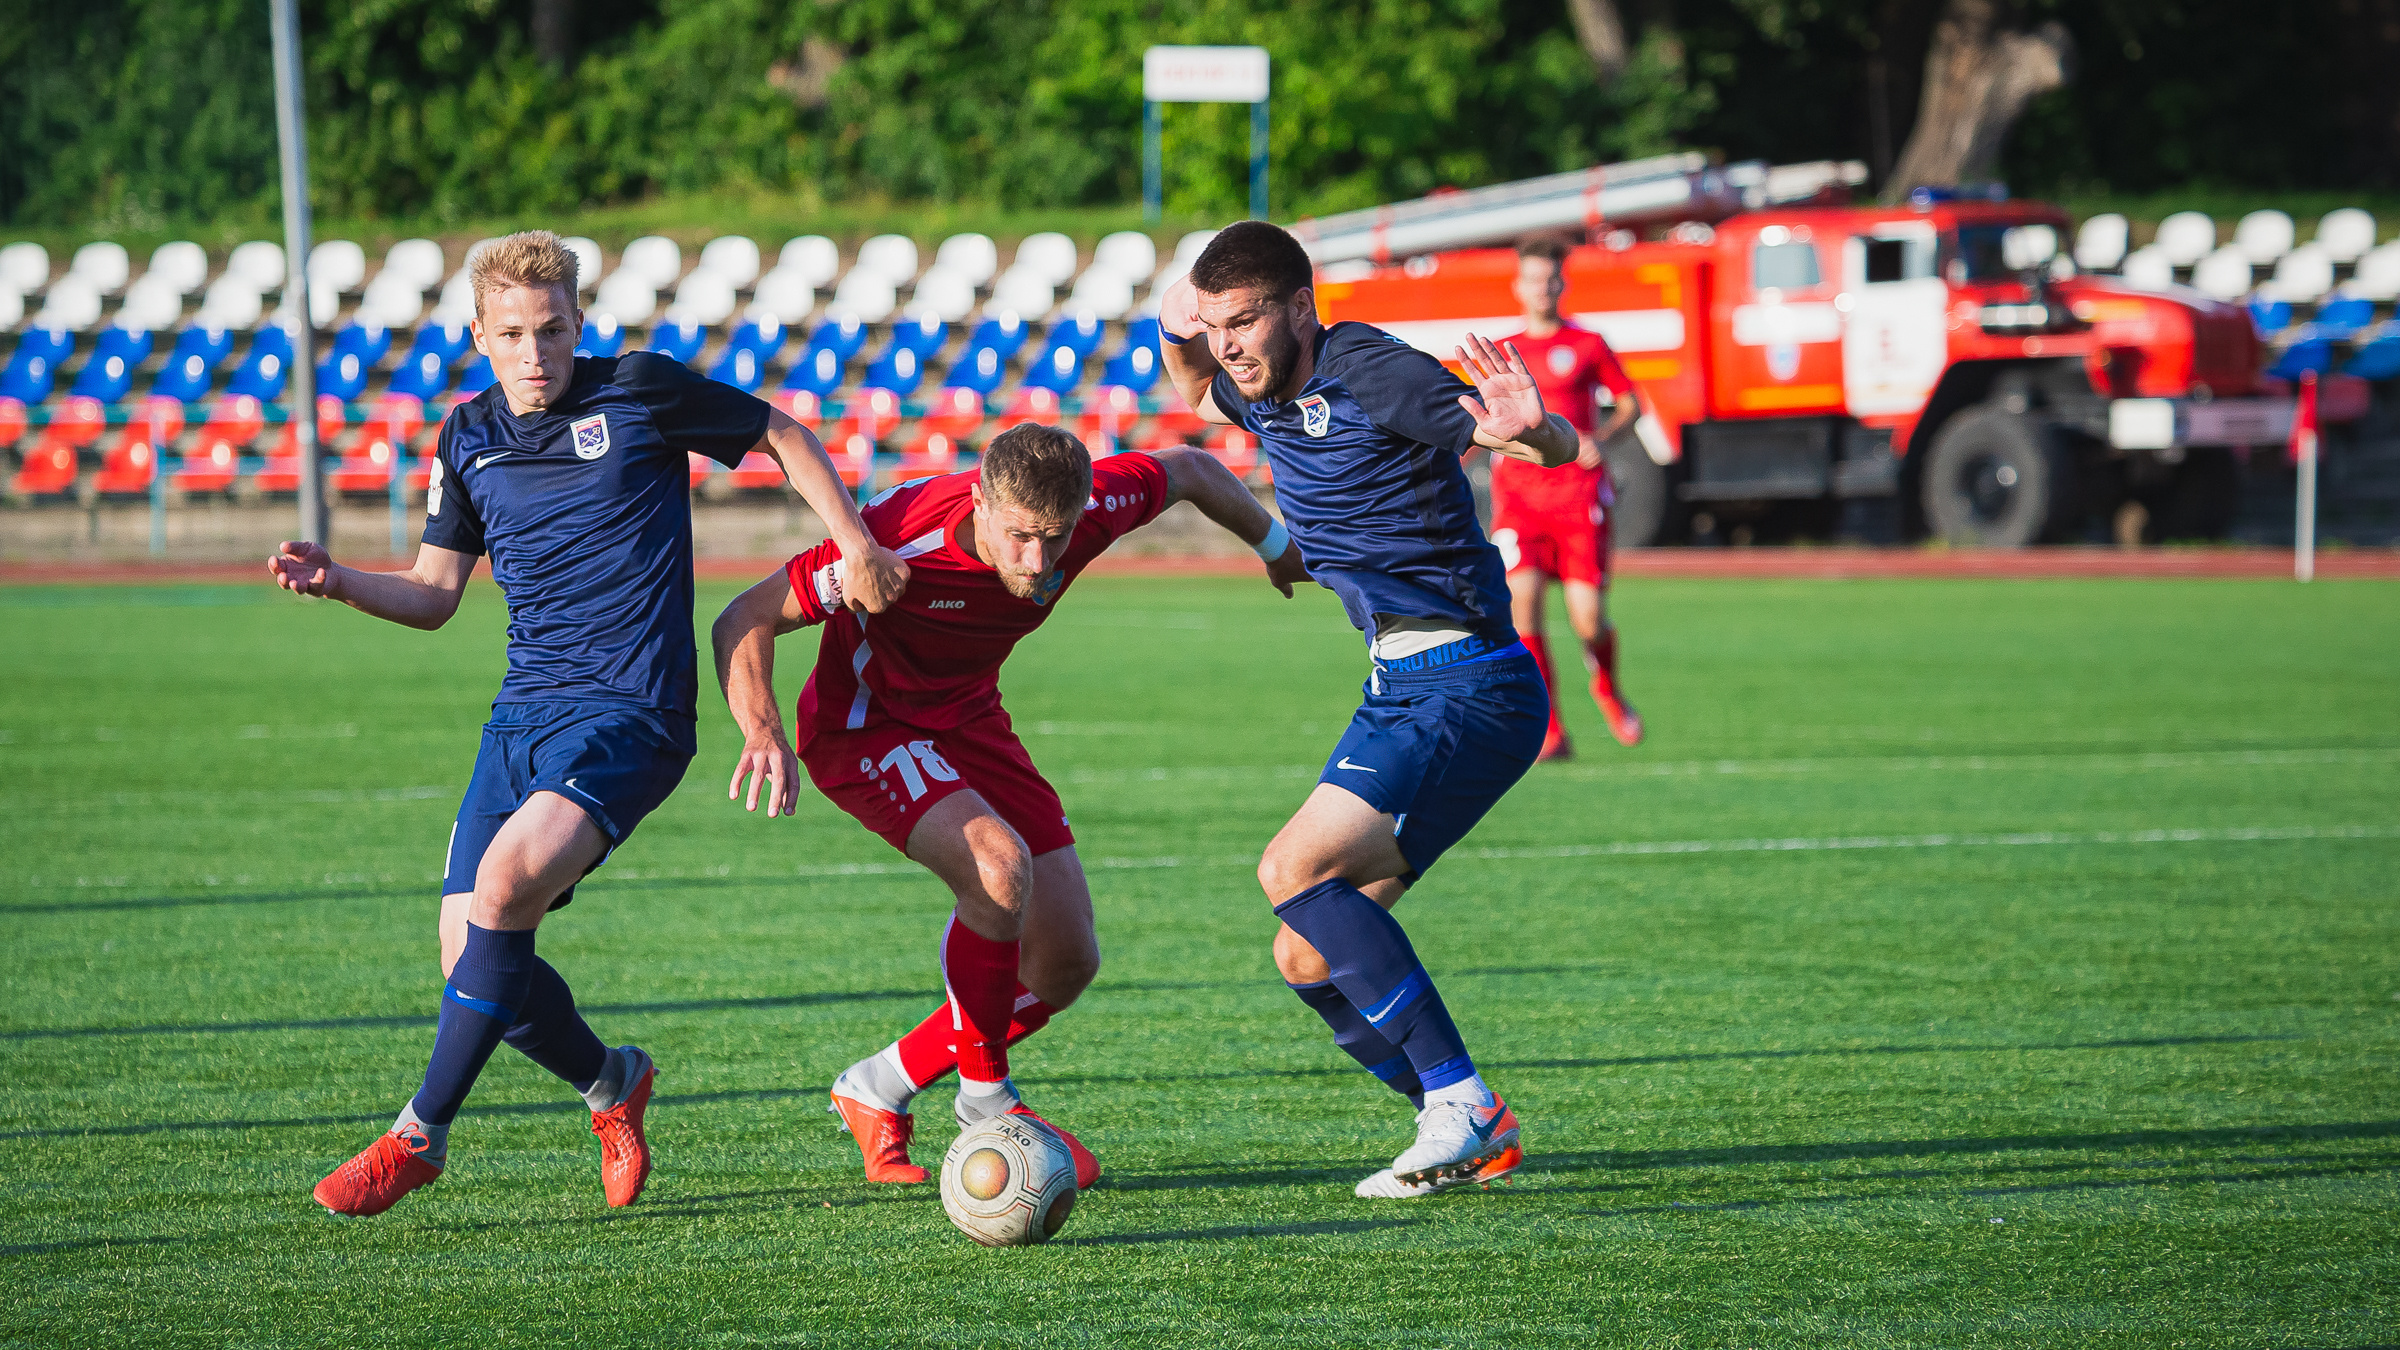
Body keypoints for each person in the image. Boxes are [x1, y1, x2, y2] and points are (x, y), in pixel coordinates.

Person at [267, 230, 909, 1218]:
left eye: (554, 331)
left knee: (507, 884)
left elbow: (781, 433)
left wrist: (854, 542)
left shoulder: (641, 390)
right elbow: (436, 595)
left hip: (634, 712)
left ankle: (418, 1134)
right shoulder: (467, 436)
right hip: (522, 715)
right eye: (514, 335)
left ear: (580, 324)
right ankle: (612, 1082)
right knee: (468, 955)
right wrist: (337, 580)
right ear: (480, 336)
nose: (537, 355)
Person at [711, 424, 1304, 1186]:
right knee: (997, 869)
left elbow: (1188, 467)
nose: (1037, 561)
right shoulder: (897, 541)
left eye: (1054, 540)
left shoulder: (1093, 510)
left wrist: (1275, 544)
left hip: (970, 719)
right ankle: (986, 1100)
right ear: (982, 502)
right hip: (865, 730)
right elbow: (742, 618)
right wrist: (761, 731)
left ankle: (877, 1086)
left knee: (1063, 962)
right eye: (1020, 536)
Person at [1156, 221, 1580, 1199]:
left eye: (1247, 320)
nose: (1230, 344)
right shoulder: (1257, 382)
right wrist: (1177, 320)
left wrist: (1535, 424)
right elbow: (1190, 387)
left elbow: (1528, 438)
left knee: (1289, 868)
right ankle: (1468, 1128)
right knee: (1306, 951)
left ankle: (1459, 1101)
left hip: (1466, 680)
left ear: (1301, 309)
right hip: (1402, 685)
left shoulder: (1373, 370)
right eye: (1217, 325)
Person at [1492, 235, 1645, 756]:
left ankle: (1606, 686)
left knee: (1588, 619)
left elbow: (1630, 405)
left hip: (1577, 499)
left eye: (1552, 278)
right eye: (1533, 278)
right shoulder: (1504, 352)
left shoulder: (1588, 345)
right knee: (1523, 608)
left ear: (1563, 282)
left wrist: (1598, 441)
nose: (1543, 287)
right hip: (1519, 500)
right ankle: (1550, 730)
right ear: (1518, 285)